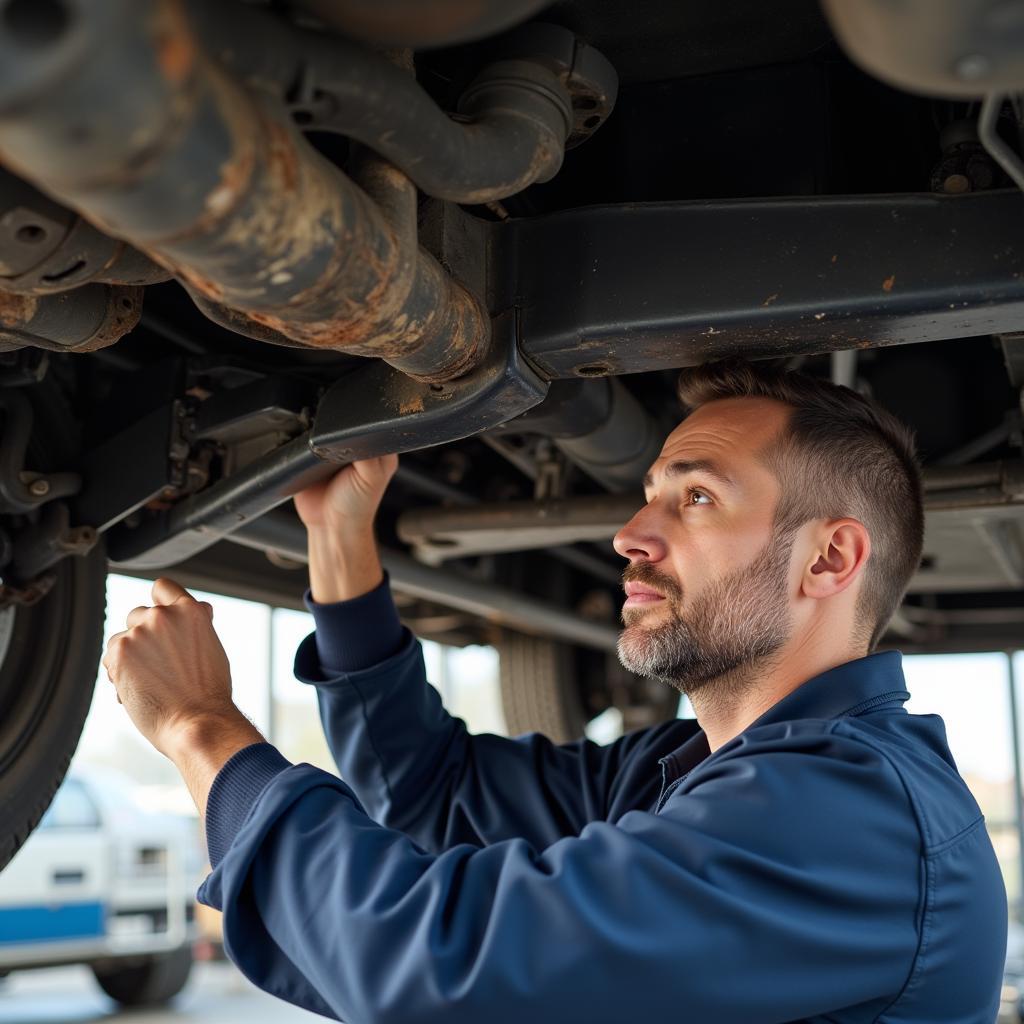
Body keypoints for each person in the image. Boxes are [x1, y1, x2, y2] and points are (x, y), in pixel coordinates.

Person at [102, 360, 1008, 1023]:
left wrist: (199, 728)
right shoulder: (687, 772)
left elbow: (440, 971)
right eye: (651, 492)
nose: (629, 532)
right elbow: (433, 794)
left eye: (694, 498)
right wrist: (342, 542)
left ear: (830, 558)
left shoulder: (850, 816)